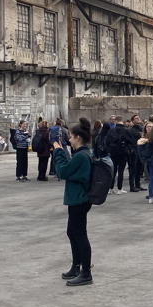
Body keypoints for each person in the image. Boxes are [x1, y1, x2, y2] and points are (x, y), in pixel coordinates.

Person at [53, 118, 95, 286]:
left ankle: (86, 272)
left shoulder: (81, 156)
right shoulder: (83, 154)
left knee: (79, 235)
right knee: (72, 232)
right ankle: (76, 266)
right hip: (78, 198)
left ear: (77, 137)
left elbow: (63, 171)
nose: (69, 139)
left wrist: (58, 152)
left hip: (79, 199)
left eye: (70, 136)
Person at [106, 116, 130, 195]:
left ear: (116, 121)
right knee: (121, 171)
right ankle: (120, 188)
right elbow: (129, 141)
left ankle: (110, 188)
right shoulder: (125, 130)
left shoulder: (111, 130)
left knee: (113, 170)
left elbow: (107, 141)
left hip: (113, 153)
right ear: (122, 121)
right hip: (122, 152)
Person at [127, 115, 146, 192]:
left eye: (139, 118)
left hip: (140, 151)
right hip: (134, 151)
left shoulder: (141, 128)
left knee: (139, 169)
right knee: (133, 169)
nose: (138, 119)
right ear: (132, 120)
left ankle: (138, 185)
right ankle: (132, 186)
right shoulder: (131, 130)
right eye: (136, 118)